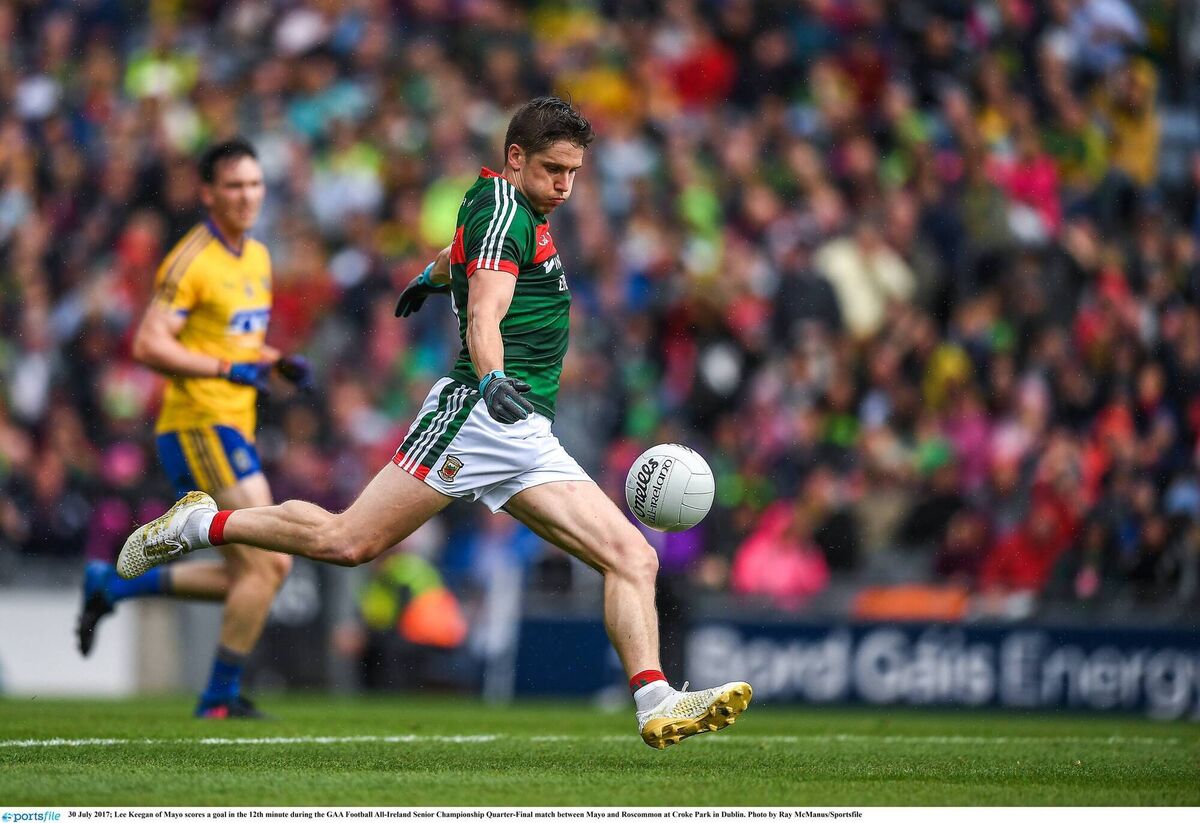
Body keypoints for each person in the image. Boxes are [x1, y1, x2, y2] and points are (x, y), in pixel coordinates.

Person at [116, 97, 751, 748]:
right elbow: (485, 313)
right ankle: (198, 523)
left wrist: (428, 275)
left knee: (632, 556)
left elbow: (462, 253)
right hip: (479, 413)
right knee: (348, 542)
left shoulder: (497, 200)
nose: (566, 185)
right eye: (554, 169)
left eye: (575, 173)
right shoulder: (508, 215)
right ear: (516, 158)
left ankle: (654, 701)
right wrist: (495, 377)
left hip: (525, 431)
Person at [78, 138, 313, 718]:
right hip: (199, 424)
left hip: (233, 423)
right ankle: (218, 699)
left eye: (254, 184)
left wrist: (268, 360)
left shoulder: (255, 255)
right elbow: (148, 344)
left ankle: (111, 587)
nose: (246, 196)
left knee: (254, 573)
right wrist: (227, 368)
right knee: (272, 563)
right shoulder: (192, 259)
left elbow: (234, 339)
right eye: (233, 186)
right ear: (208, 194)